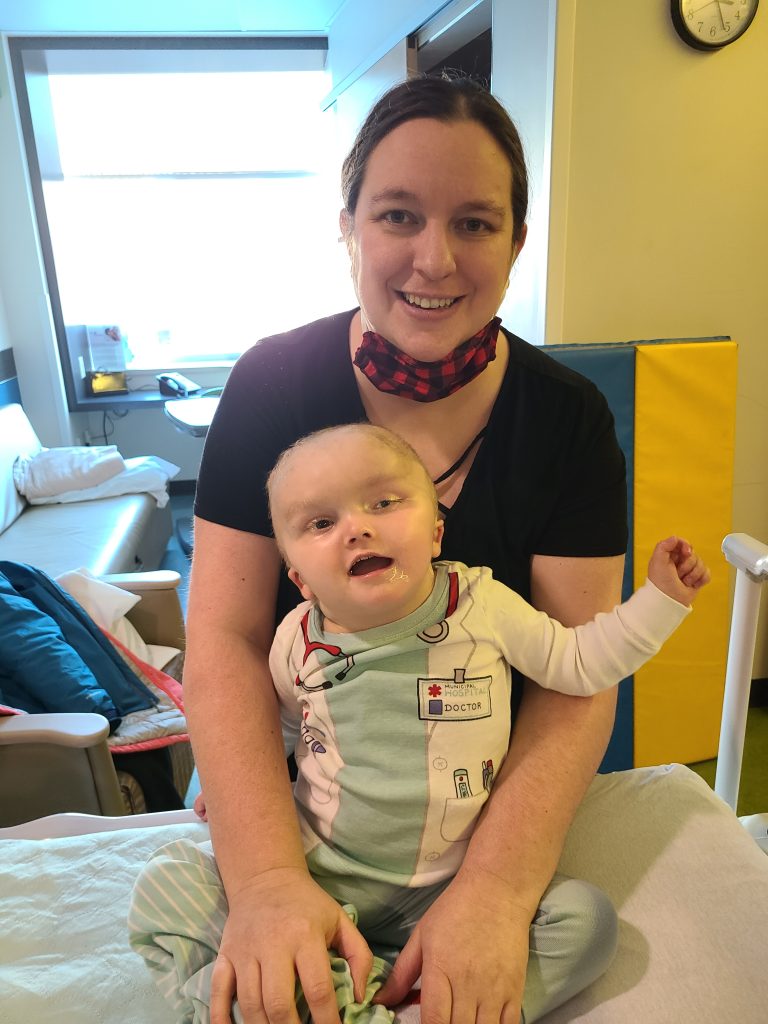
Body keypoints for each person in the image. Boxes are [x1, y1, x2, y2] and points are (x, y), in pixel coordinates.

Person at [181, 73, 649, 1024]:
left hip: (468, 810)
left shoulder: (567, 420)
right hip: (298, 788)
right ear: (348, 225)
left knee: (581, 930)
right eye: (398, 215)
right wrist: (269, 880)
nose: (433, 260)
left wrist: (495, 892)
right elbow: (224, 640)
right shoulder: (271, 384)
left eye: (476, 223)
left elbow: (576, 678)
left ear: (519, 240)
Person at [131, 423, 709, 1023]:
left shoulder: (482, 604)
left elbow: (581, 665)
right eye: (321, 524)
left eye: (383, 503)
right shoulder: (295, 640)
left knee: (586, 923)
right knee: (167, 882)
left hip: (450, 890)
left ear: (435, 533)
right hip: (319, 873)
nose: (357, 527)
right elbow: (285, 725)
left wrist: (659, 601)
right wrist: (233, 793)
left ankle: (391, 1004)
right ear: (299, 577)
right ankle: (278, 996)